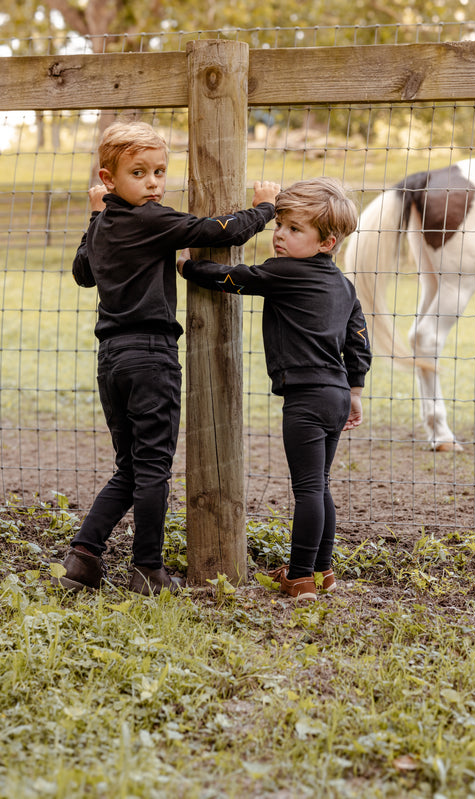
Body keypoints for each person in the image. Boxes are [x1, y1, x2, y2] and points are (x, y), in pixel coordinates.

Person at [54, 119, 279, 595]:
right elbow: (218, 230)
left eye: (159, 171)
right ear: (109, 177)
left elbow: (82, 273)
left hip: (111, 360)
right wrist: (264, 207)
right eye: (139, 173)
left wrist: (94, 216)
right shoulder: (153, 221)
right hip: (152, 357)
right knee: (153, 466)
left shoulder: (104, 226)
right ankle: (147, 569)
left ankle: (84, 556)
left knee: (131, 467)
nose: (154, 183)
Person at [177, 177, 371, 601]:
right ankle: (322, 570)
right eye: (279, 225)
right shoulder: (343, 284)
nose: (280, 235)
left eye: (294, 230)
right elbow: (358, 336)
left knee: (307, 488)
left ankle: (300, 576)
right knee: (319, 485)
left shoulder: (284, 272)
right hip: (336, 394)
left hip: (305, 398)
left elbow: (235, 278)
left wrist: (189, 267)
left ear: (327, 242)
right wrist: (355, 391)